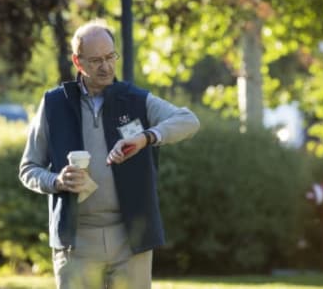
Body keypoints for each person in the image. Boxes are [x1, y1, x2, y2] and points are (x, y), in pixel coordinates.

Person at [19, 21, 200, 289]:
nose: (105, 67)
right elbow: (28, 168)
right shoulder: (54, 104)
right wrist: (57, 181)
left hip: (130, 239)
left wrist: (146, 137)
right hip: (76, 242)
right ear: (77, 62)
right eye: (95, 61)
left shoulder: (136, 100)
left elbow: (189, 121)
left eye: (110, 57)